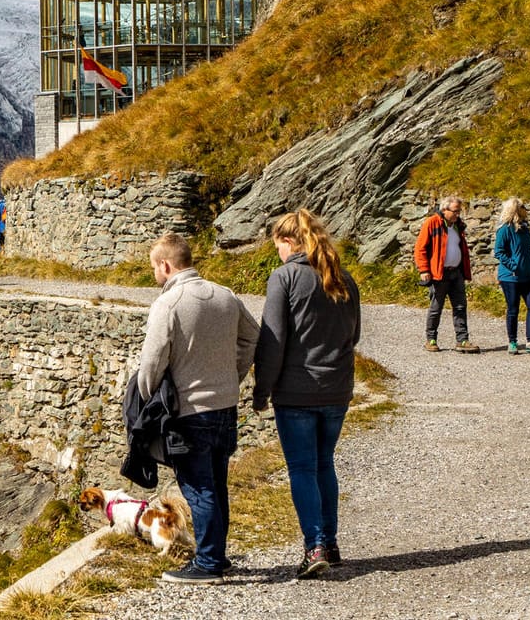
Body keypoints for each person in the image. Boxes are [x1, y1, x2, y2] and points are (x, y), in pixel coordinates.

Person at [134, 232, 259, 584]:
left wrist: (147, 398)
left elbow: (152, 360)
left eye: (154, 269)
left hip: (189, 410)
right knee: (217, 483)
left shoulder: (169, 303)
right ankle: (217, 556)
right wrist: (234, 373)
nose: (154, 275)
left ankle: (207, 564)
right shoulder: (226, 295)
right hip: (225, 405)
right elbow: (252, 336)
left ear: (165, 265)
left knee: (198, 486)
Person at [254, 209, 361, 580]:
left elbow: (272, 341)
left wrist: (261, 390)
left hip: (297, 391)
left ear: (288, 242)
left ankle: (313, 545)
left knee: (302, 467)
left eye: (278, 246)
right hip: (337, 389)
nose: (278, 254)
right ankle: (329, 543)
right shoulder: (343, 277)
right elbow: (355, 335)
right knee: (324, 463)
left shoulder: (284, 278)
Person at [414, 196, 478, 352]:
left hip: (456, 273)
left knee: (460, 306)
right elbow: (420, 248)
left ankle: (462, 341)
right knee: (436, 307)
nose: (458, 214)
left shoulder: (458, 226)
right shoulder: (432, 223)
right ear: (444, 210)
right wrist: (424, 270)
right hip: (439, 274)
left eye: (459, 211)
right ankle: (431, 340)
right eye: (455, 211)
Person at [493, 199, 530, 354]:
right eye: (523, 206)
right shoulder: (504, 229)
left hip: (527, 275)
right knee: (513, 309)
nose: (526, 209)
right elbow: (499, 251)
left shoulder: (524, 228)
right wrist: (514, 266)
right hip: (510, 277)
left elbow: (526, 253)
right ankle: (513, 342)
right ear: (515, 209)